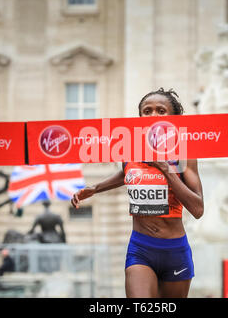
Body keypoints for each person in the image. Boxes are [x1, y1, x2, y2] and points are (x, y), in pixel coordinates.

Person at [71, 88, 204, 298]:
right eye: (147, 110)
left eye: (161, 111)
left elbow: (197, 209)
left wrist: (166, 169)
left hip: (174, 250)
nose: (153, 116)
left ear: (174, 119)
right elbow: (126, 172)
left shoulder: (184, 155)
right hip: (141, 248)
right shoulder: (131, 148)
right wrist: (95, 189)